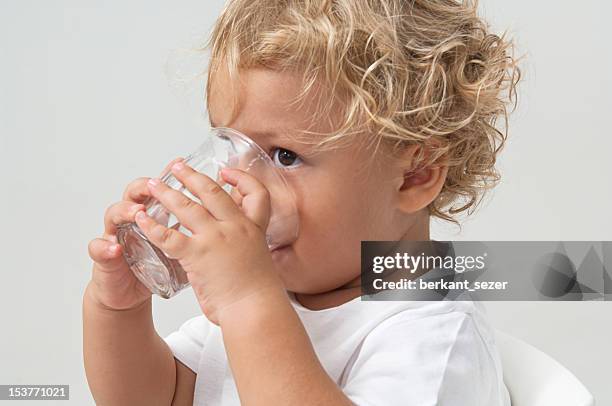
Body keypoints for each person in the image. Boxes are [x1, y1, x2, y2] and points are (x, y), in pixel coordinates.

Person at [83, 0, 521, 404]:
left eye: (284, 157)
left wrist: (248, 302)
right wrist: (119, 310)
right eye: (232, 149)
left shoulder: (432, 335)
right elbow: (161, 397)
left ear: (413, 175)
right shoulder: (274, 292)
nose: (241, 187)